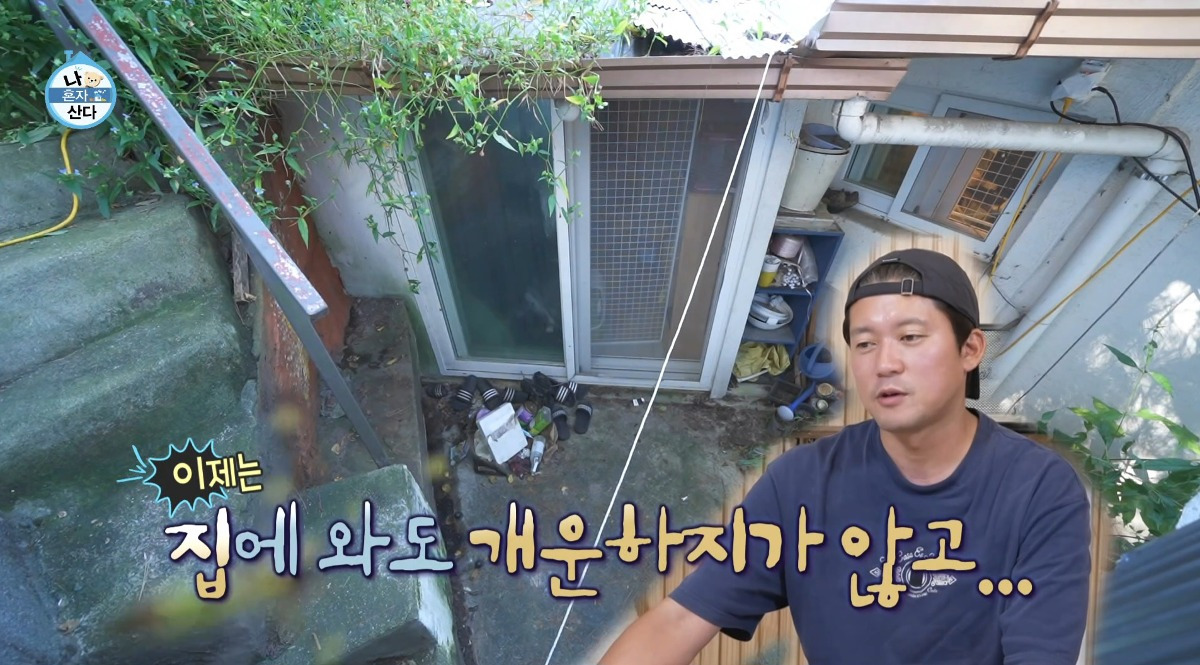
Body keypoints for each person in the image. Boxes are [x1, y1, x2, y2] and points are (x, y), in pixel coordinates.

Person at [600, 248, 1092, 665]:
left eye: (911, 337)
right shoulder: (802, 482)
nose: (885, 363)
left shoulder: (1039, 491)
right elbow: (681, 619)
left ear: (970, 349)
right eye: (864, 344)